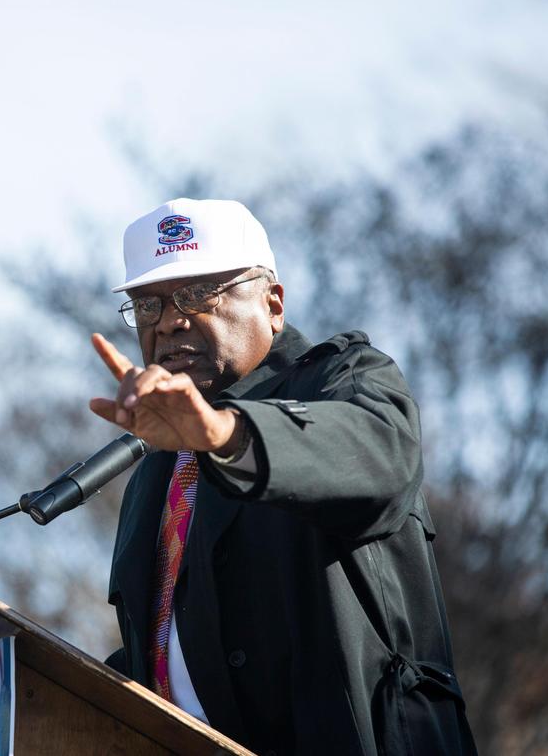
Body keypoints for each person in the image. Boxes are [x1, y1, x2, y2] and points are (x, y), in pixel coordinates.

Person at [90, 198, 476, 755]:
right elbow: (167, 654)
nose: (171, 320)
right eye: (147, 306)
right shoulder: (156, 474)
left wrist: (226, 435)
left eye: (200, 294)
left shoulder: (344, 379)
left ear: (273, 304)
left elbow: (375, 458)